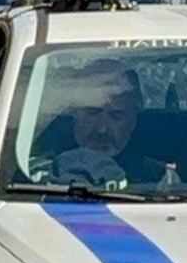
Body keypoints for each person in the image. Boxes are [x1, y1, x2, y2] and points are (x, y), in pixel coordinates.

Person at [32, 60, 169, 188]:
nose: (102, 129)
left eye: (116, 116)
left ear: (133, 120)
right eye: (92, 113)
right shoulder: (35, 171)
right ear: (74, 113)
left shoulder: (159, 180)